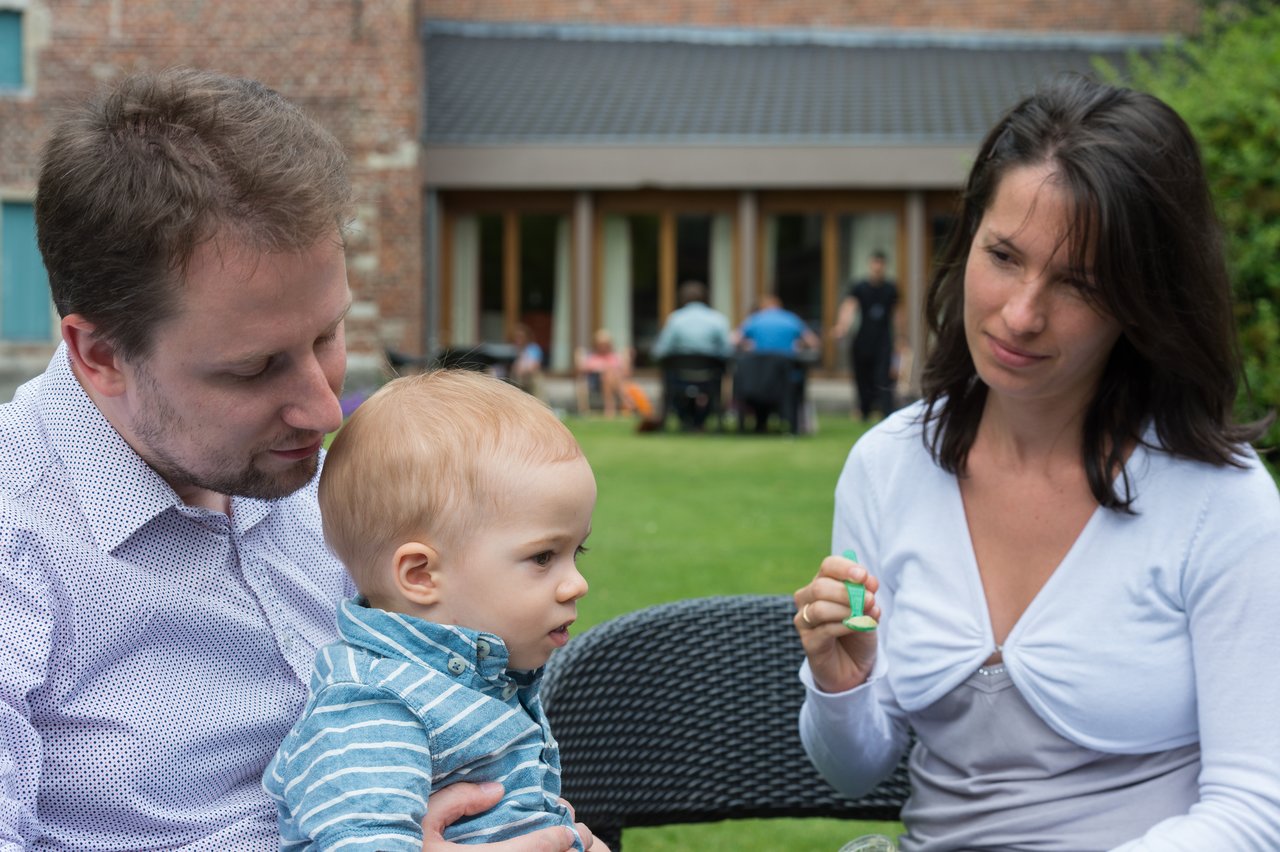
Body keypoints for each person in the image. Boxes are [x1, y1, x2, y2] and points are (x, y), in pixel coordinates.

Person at [0, 67, 588, 851]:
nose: (323, 411)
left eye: (328, 336)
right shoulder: (20, 543)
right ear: (100, 354)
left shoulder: (325, 483)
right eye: (254, 368)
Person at [792, 73, 1280, 850]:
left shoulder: (1220, 500)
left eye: (1078, 283)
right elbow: (853, 772)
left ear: (1144, 299)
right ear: (967, 239)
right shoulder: (888, 468)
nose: (1021, 314)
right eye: (1004, 256)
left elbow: (1255, 811)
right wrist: (842, 683)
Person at [264, 370, 601, 851]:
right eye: (543, 557)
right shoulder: (377, 706)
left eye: (576, 552)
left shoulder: (471, 678)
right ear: (421, 574)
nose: (577, 583)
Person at [732, 293, 819, 433]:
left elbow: (734, 340)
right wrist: (797, 345)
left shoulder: (754, 319)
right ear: (779, 306)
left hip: (756, 381)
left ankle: (759, 424)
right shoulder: (791, 319)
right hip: (784, 380)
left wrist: (749, 345)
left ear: (762, 307)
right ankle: (791, 424)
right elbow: (813, 342)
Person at [833, 250, 901, 421]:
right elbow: (849, 307)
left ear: (884, 266)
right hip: (863, 338)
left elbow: (898, 314)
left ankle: (886, 410)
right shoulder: (860, 287)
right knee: (862, 376)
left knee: (883, 376)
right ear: (870, 265)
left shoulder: (890, 289)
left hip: (883, 339)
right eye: (875, 264)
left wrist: (900, 338)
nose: (877, 268)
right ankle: (864, 409)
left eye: (880, 264)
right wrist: (842, 327)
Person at [648, 280, 733, 362]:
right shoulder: (717, 318)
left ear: (682, 299)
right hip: (711, 370)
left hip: (680, 370)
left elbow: (660, 351)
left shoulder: (675, 318)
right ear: (706, 298)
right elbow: (728, 351)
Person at [574, 329, 633, 418]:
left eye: (605, 344)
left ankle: (610, 408)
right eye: (600, 344)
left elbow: (626, 372)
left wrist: (627, 360)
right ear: (596, 344)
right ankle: (625, 400)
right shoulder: (592, 356)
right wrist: (603, 368)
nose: (603, 347)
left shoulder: (615, 356)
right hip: (595, 382)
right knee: (608, 374)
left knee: (609, 375)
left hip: (614, 382)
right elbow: (582, 369)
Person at [510, 323, 545, 398]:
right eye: (516, 337)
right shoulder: (513, 349)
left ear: (526, 337)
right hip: (518, 380)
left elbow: (534, 365)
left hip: (531, 381)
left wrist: (521, 369)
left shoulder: (533, 348)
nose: (518, 339)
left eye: (520, 337)